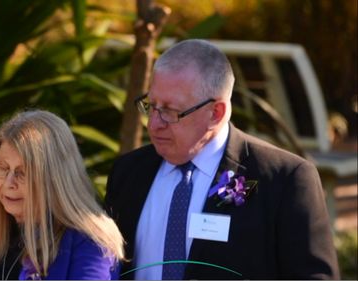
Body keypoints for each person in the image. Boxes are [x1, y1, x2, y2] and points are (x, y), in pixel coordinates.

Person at [105, 39, 340, 279]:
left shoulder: (283, 178)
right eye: (151, 106)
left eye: (170, 111)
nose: (154, 124)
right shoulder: (128, 172)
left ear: (216, 113)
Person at [0, 109, 124, 280]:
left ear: (56, 179)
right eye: (3, 168)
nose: (9, 183)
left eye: (22, 172)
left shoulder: (89, 240)